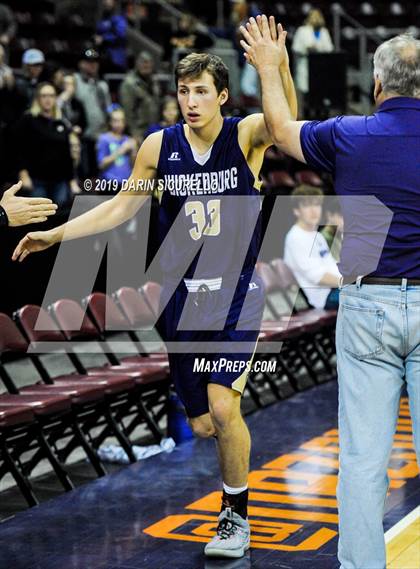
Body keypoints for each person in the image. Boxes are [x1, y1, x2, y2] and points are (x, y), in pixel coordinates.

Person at [12, 49, 298, 559]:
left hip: (234, 294)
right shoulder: (157, 147)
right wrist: (55, 235)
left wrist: (275, 69)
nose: (190, 101)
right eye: (183, 91)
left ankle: (235, 516)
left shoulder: (246, 134)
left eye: (201, 91)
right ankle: (231, 481)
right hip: (180, 301)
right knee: (205, 424)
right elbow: (121, 206)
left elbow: (285, 124)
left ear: (223, 96)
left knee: (222, 406)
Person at [240, 16, 420, 569]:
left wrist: (271, 67)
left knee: (364, 460)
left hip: (367, 306)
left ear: (377, 86)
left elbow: (279, 127)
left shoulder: (349, 133)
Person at [14, 82, 80, 206]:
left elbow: (66, 154)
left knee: (60, 216)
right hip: (36, 179)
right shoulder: (28, 120)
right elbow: (18, 149)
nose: (48, 99)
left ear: (55, 98)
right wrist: (23, 173)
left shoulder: (61, 123)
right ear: (38, 98)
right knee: (39, 218)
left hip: (59, 180)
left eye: (51, 95)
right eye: (44, 96)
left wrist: (72, 181)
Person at [284, 185, 340, 310]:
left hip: (334, 290)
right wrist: (346, 283)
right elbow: (317, 277)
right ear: (296, 211)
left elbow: (332, 266)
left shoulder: (317, 236)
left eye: (317, 205)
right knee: (365, 298)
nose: (314, 210)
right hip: (322, 298)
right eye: (307, 206)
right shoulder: (296, 237)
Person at [75, 48, 111, 177]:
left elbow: (108, 110)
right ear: (81, 64)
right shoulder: (75, 81)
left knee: (99, 175)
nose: (93, 64)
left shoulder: (102, 85)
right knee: (84, 175)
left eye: (95, 61)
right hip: (82, 137)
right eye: (88, 61)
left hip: (100, 136)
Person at [291, 9, 333, 115]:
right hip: (306, 63)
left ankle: (320, 115)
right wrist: (307, 48)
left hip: (320, 65)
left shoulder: (324, 31)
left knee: (320, 93)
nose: (316, 19)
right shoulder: (302, 30)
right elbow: (295, 47)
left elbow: (329, 48)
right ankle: (307, 115)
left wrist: (318, 47)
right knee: (307, 94)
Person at [119, 51, 159, 145]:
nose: (146, 65)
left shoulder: (154, 81)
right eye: (143, 62)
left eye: (148, 62)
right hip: (139, 133)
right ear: (136, 63)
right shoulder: (129, 83)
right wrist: (135, 133)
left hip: (153, 130)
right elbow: (127, 112)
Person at [97, 107, 136, 186]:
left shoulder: (127, 139)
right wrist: (122, 150)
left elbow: (133, 165)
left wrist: (133, 152)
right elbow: (101, 164)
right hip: (109, 182)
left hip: (126, 182)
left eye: (122, 121)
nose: (119, 124)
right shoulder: (104, 139)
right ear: (110, 122)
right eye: (115, 121)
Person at [95, 0, 128, 71]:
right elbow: (98, 32)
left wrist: (103, 38)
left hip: (116, 57)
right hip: (102, 55)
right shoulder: (103, 16)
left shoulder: (119, 17)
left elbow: (121, 35)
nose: (106, 2)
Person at [15, 48, 46, 114]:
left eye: (40, 65)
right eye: (35, 65)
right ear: (25, 65)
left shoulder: (39, 82)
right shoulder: (18, 83)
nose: (38, 68)